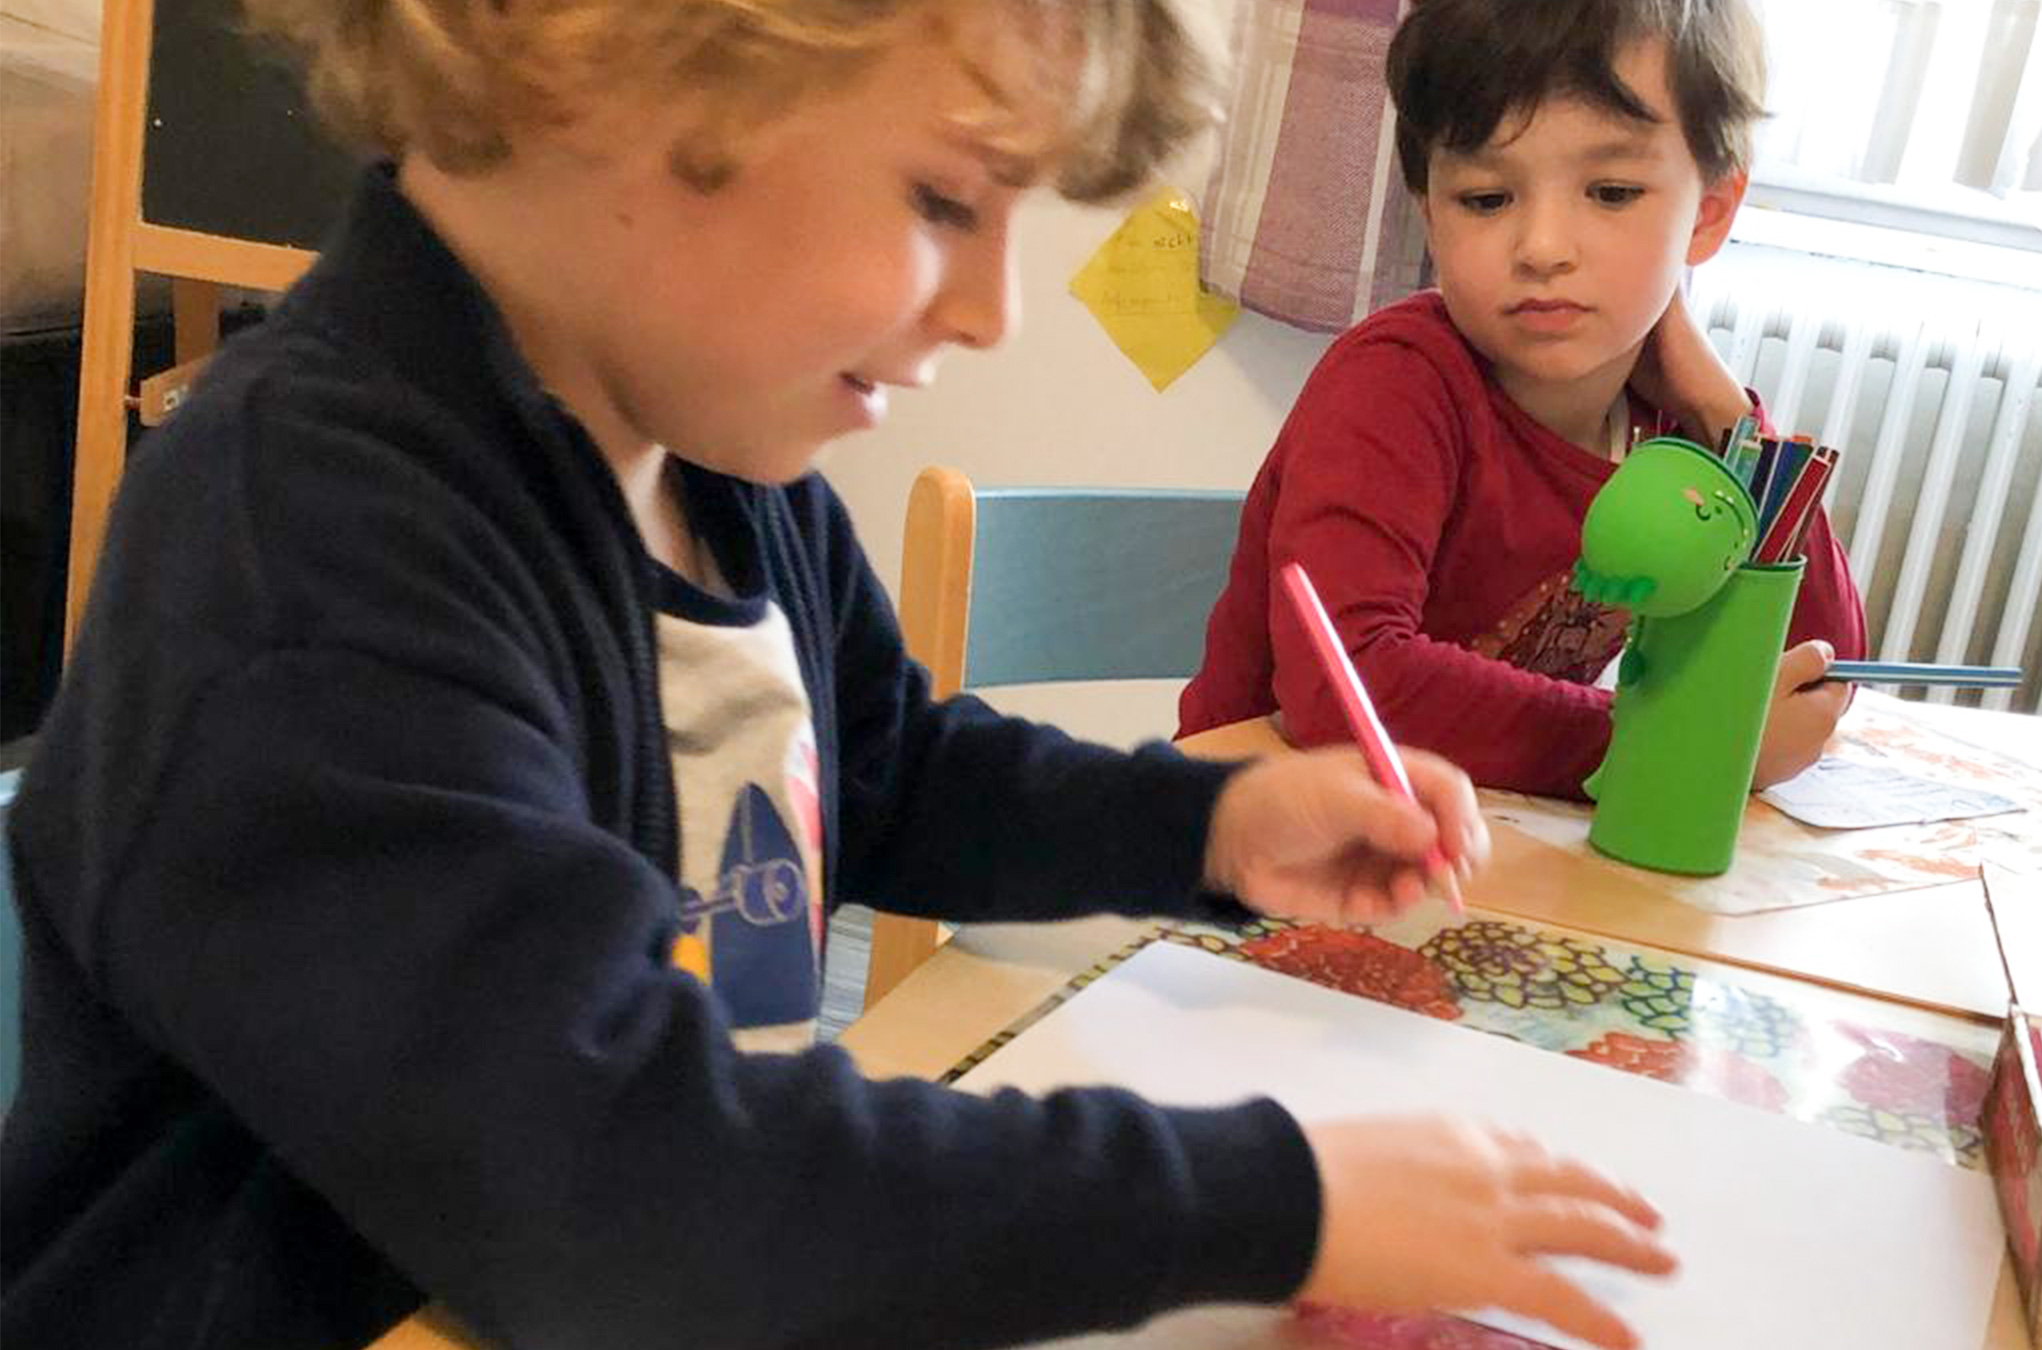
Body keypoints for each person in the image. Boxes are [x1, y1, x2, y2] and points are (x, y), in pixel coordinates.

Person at [0, 0, 1687, 1347]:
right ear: (608, 60)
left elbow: (890, 776)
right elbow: (612, 1194)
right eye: (947, 200)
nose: (995, 312)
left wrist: (1209, 826)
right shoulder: (306, 546)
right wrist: (1270, 1196)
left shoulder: (719, 468)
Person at [1178, 0, 1867, 798]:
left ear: (1708, 213)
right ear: (1429, 213)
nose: (1542, 249)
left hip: (1482, 851)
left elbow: (1820, 670)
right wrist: (1656, 746)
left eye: (1610, 192)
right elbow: (1346, 684)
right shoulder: (1395, 385)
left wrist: (1727, 419)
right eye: (1485, 199)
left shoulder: (1677, 424)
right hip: (1260, 849)